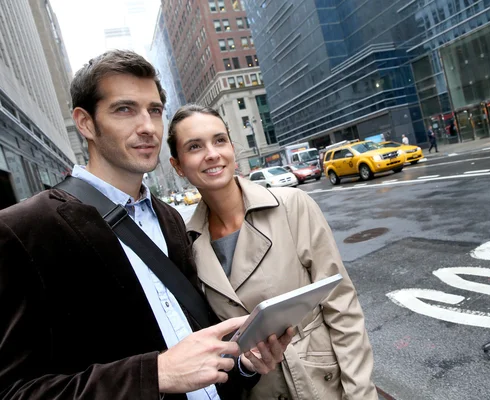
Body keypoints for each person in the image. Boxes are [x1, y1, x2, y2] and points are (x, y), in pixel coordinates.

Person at [0, 50, 292, 400]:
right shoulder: (23, 230)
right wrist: (155, 374)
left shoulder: (169, 218)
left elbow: (196, 349)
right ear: (85, 122)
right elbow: (14, 390)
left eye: (154, 110)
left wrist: (242, 364)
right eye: (124, 109)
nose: (148, 127)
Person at [167, 105, 378, 400]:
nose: (212, 154)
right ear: (178, 165)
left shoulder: (292, 206)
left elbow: (342, 306)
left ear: (232, 147)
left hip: (323, 384)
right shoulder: (188, 244)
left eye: (219, 140)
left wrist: (360, 394)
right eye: (194, 147)